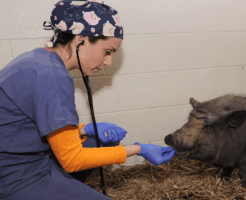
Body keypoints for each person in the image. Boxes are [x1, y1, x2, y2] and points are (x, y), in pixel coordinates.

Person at [0, 1, 176, 199]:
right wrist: (138, 149)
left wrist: (83, 129)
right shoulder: (53, 78)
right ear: (80, 41)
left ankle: (64, 187)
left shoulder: (39, 58)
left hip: (28, 157)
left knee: (98, 140)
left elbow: (27, 125)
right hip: (15, 177)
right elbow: (72, 160)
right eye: (107, 52)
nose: (108, 62)